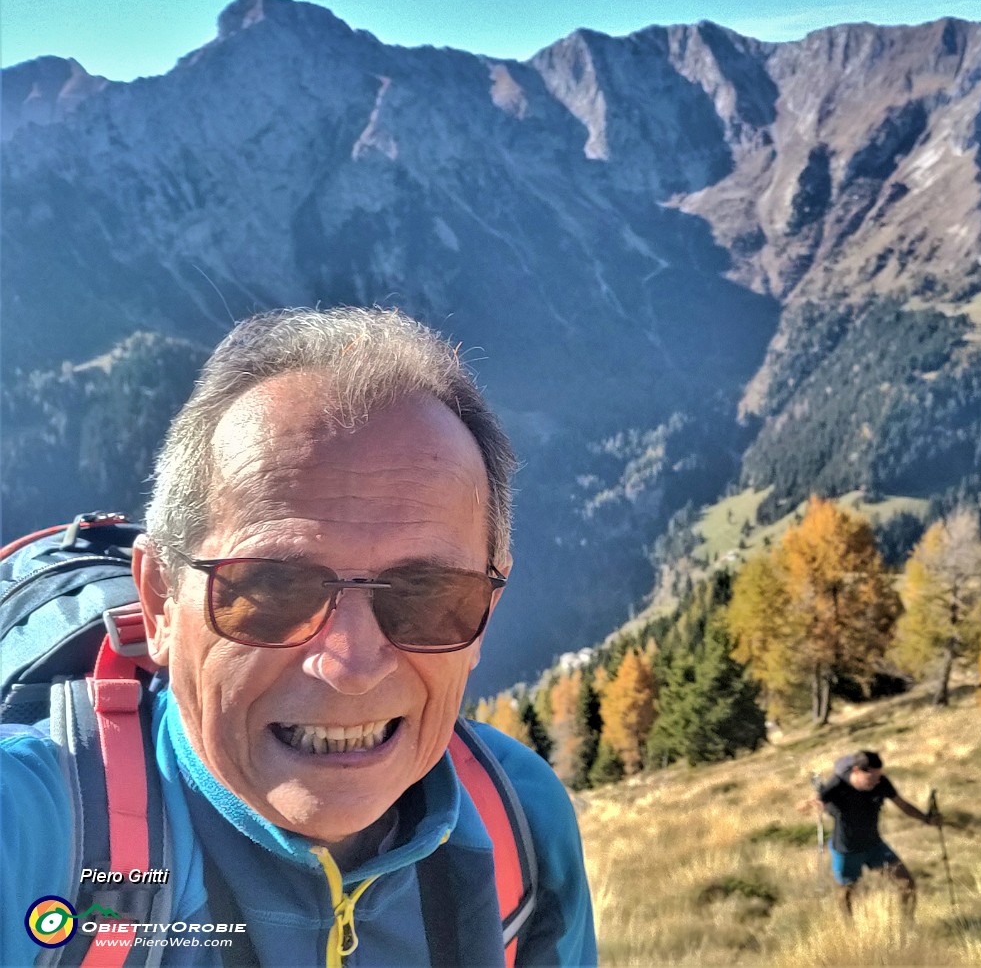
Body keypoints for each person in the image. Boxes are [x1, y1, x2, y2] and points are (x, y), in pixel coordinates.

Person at [1, 308, 596, 966]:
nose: (351, 664)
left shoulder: (524, 826)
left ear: (489, 600)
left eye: (429, 595)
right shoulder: (29, 831)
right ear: (160, 601)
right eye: (274, 590)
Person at [811, 750, 936, 917]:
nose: (876, 781)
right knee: (847, 891)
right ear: (856, 771)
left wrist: (927, 819)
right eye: (871, 777)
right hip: (846, 850)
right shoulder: (837, 785)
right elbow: (816, 800)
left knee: (907, 884)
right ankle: (850, 929)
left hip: (874, 845)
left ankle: (907, 926)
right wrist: (813, 803)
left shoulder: (881, 783)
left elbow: (903, 805)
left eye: (879, 776)